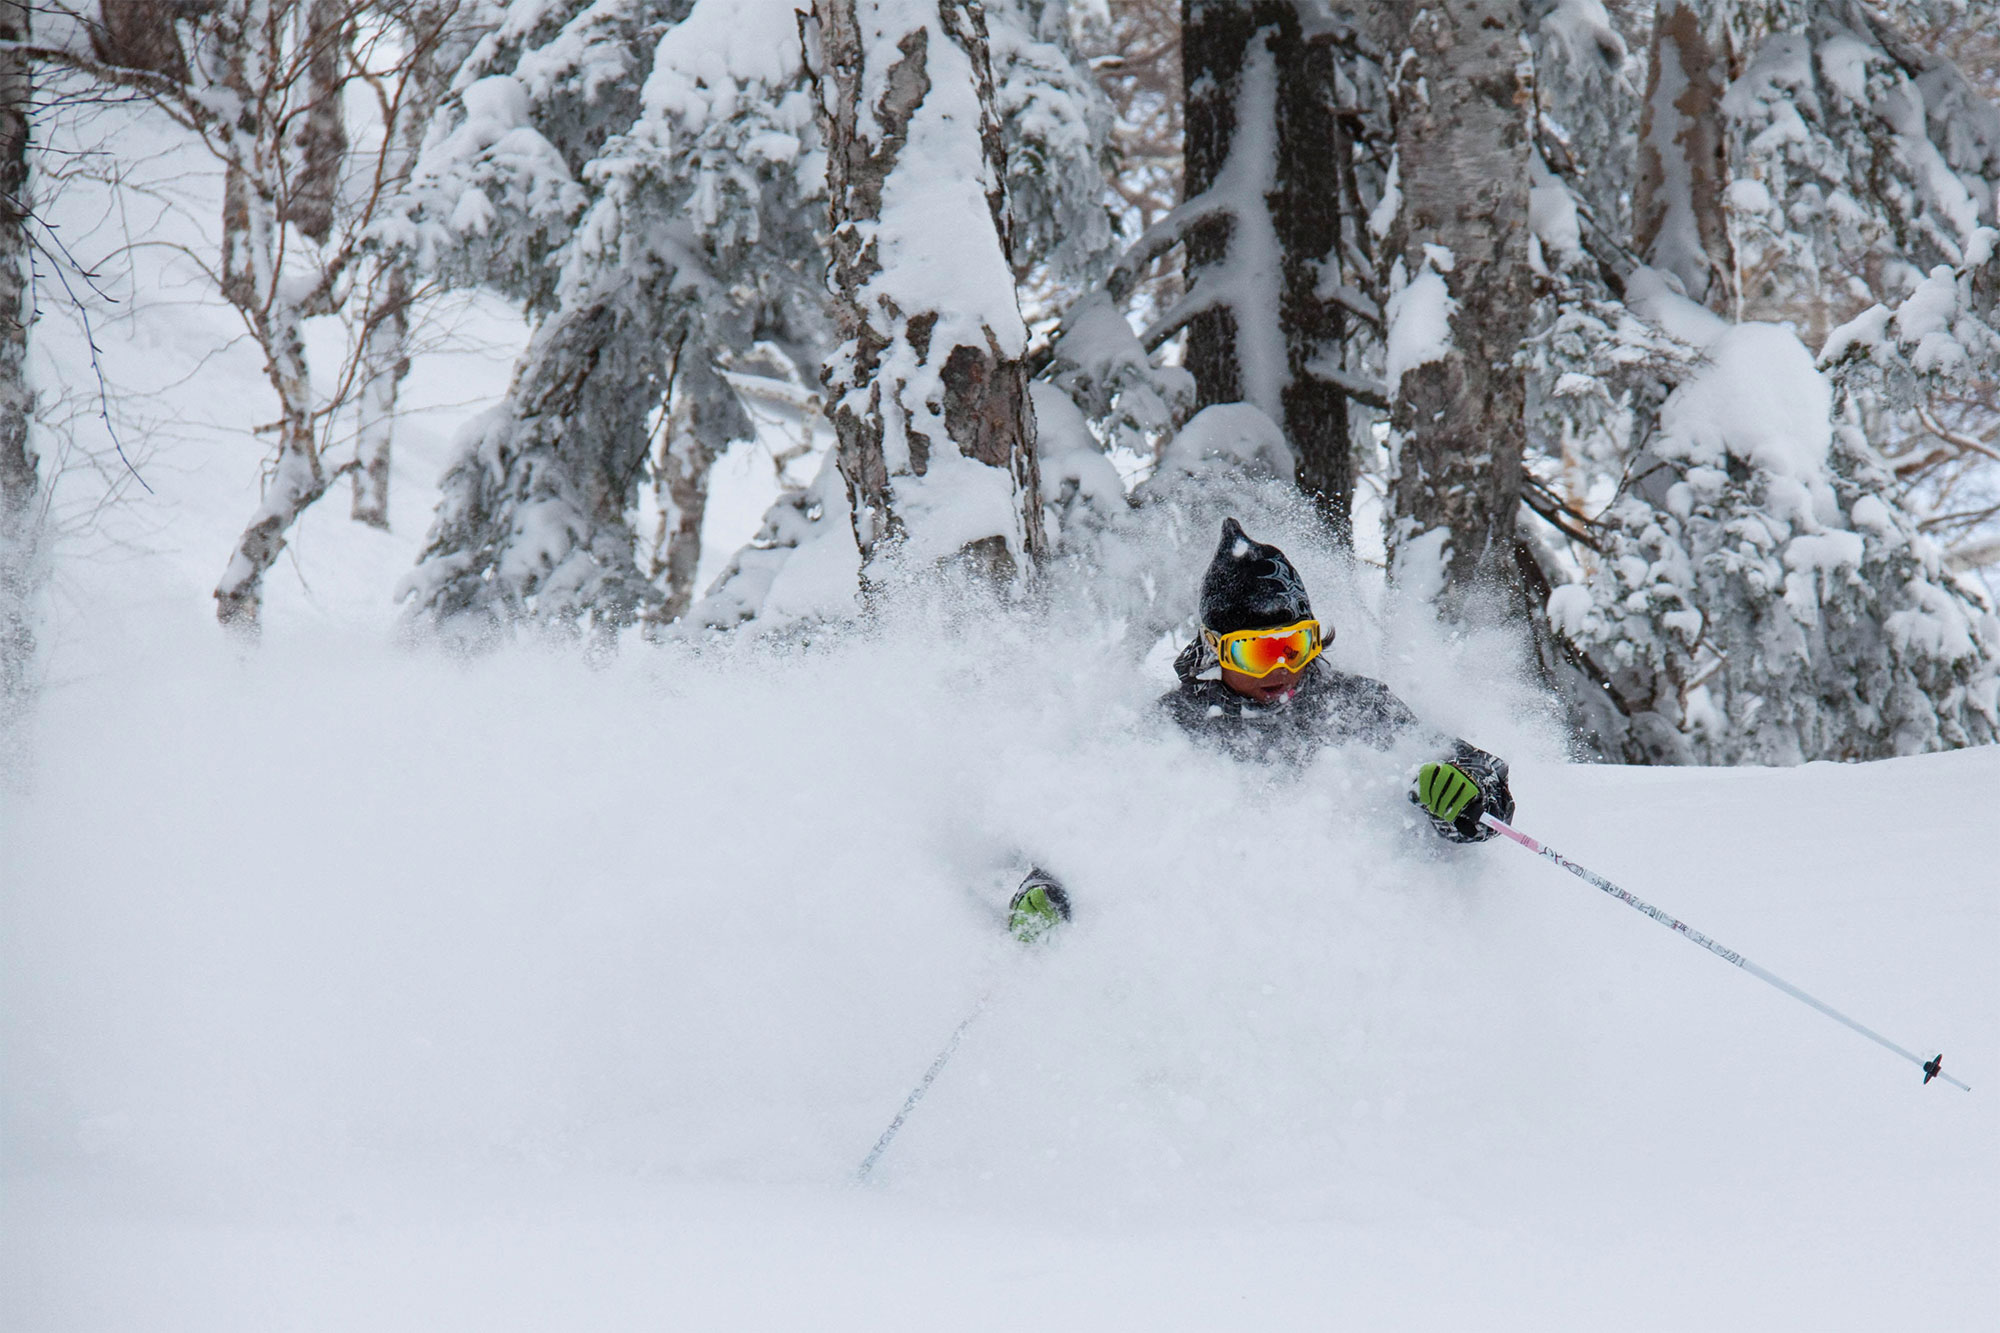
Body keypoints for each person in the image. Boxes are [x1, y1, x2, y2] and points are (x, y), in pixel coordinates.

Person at [1006, 517, 1515, 941]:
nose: (1281, 669)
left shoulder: (1357, 708)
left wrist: (1472, 797)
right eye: (1256, 652)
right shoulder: (1169, 731)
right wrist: (1046, 884)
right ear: (1215, 649)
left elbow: (1479, 780)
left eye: (1296, 646)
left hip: (1352, 948)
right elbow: (1086, 823)